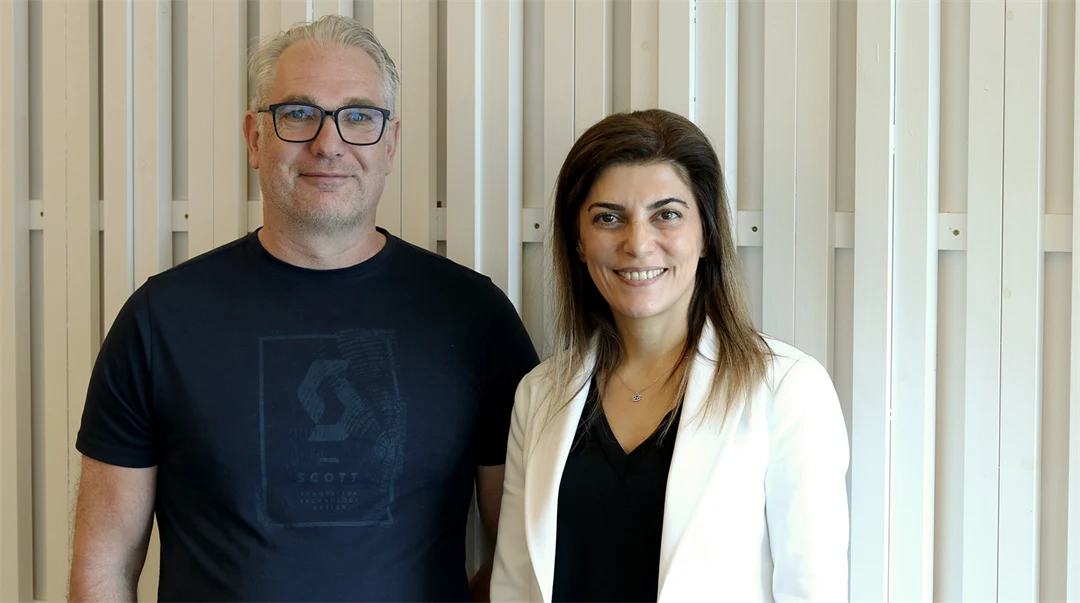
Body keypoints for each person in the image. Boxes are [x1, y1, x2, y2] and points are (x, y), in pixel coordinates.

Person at [69, 15, 538, 603]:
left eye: (359, 116)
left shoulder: (476, 319)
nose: (329, 142)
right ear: (253, 138)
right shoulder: (160, 320)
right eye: (297, 113)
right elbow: (103, 569)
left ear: (390, 143)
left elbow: (520, 560)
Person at [489, 109, 849, 602]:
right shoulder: (540, 394)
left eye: (667, 214)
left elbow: (813, 591)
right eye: (608, 218)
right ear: (578, 240)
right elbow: (513, 586)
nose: (637, 244)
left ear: (706, 234)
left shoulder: (787, 390)